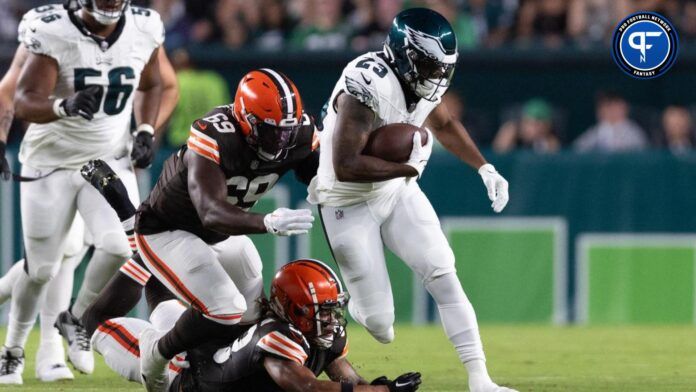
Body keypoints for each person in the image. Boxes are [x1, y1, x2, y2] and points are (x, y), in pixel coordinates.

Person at [307, 7, 514, 392]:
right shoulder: (366, 83)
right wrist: (409, 168)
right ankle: (358, 303)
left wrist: (484, 168)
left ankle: (480, 379)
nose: (439, 75)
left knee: (443, 273)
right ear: (405, 55)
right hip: (346, 200)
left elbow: (445, 124)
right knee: (380, 324)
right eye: (431, 65)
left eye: (443, 67)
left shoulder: (422, 81)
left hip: (395, 190)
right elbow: (348, 164)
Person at [96, 68, 318, 391]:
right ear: (244, 119)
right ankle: (156, 354)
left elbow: (322, 173)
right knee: (226, 307)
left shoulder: (296, 132)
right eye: (270, 132)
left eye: (286, 131)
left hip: (219, 233)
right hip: (168, 230)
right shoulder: (215, 134)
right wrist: (266, 221)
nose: (280, 141)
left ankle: (217, 367)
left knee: (251, 305)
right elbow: (211, 212)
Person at [1, 0, 165, 384]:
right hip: (51, 163)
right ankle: (12, 349)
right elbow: (23, 97)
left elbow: (155, 82)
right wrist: (64, 105)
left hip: (107, 159)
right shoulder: (53, 28)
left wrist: (145, 129)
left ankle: (75, 319)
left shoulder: (144, 27)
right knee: (41, 269)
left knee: (120, 246)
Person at [91, 258, 423, 392]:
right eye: (320, 310)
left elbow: (350, 381)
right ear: (292, 309)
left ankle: (147, 248)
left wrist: (377, 387)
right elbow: (307, 388)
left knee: (163, 301)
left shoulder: (324, 336)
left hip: (205, 352)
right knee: (102, 329)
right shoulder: (278, 335)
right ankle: (77, 323)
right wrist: (385, 390)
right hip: (183, 376)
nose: (330, 319)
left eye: (332, 309)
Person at [573, 91, 648, 152]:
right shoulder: (596, 131)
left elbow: (642, 151)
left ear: (625, 108)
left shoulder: (633, 130)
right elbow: (577, 149)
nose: (612, 111)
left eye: (616, 107)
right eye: (607, 107)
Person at [493, 98, 559, 153]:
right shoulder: (512, 132)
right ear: (523, 122)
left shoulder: (550, 141)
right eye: (532, 124)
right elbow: (498, 155)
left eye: (542, 125)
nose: (536, 129)